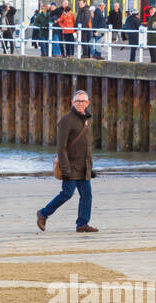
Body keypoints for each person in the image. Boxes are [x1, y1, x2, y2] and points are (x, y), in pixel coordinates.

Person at [37, 90, 96, 234]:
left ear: (87, 103)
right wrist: (65, 169)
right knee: (67, 193)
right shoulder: (66, 121)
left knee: (87, 195)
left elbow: (87, 145)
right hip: (70, 166)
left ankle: (82, 224)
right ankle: (43, 213)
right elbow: (61, 147)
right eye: (78, 101)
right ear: (72, 102)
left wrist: (90, 166)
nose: (80, 104)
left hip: (84, 166)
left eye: (83, 101)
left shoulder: (86, 119)